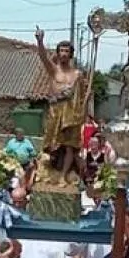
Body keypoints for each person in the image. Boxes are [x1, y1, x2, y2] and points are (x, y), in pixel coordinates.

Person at [35, 27, 86, 187]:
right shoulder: (54, 70)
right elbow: (43, 57)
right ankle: (50, 172)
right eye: (61, 51)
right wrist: (40, 41)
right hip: (55, 112)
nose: (63, 54)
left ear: (70, 54)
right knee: (52, 145)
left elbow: (82, 97)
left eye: (66, 51)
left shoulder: (77, 74)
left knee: (70, 146)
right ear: (58, 53)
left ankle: (64, 175)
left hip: (71, 115)